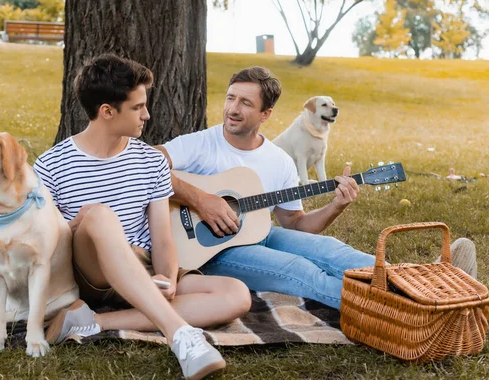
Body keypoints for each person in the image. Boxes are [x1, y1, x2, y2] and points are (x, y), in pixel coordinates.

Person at [154, 66, 478, 310]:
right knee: (303, 272)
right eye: (230, 98)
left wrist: (336, 205)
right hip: (210, 250)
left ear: (266, 114)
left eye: (245, 103)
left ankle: (428, 283)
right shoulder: (199, 144)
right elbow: (142, 164)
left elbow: (296, 224)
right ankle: (413, 307)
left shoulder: (278, 160)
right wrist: (201, 199)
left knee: (336, 254)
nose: (233, 109)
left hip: (261, 233)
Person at [34, 54, 251, 380]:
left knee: (237, 294)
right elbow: (42, 242)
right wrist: (79, 222)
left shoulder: (151, 161)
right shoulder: (51, 165)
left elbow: (161, 235)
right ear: (107, 111)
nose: (147, 115)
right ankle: (179, 334)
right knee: (98, 215)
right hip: (88, 271)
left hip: (141, 265)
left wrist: (166, 278)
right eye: (137, 108)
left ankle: (91, 322)